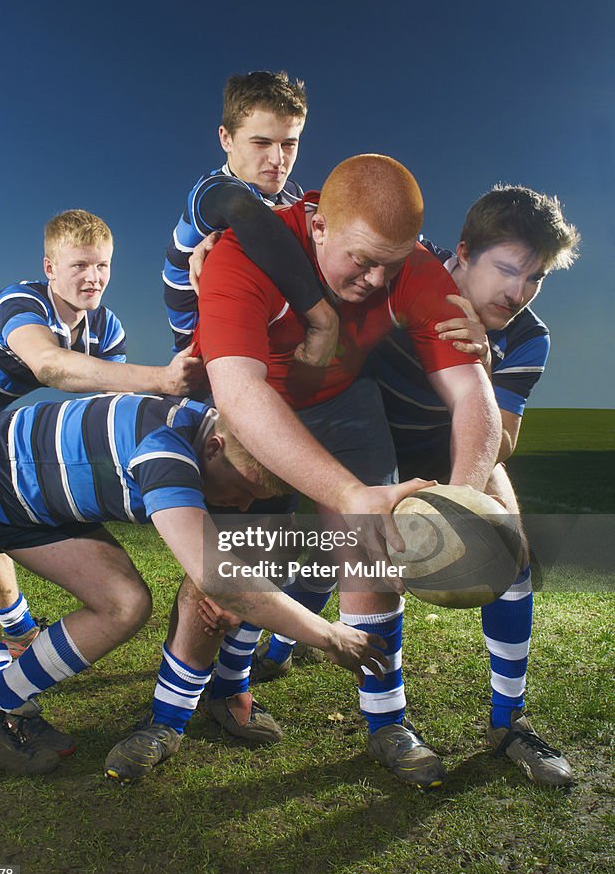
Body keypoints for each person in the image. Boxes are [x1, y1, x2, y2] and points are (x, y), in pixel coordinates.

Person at [110, 154, 501, 788]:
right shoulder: (241, 257)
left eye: (391, 265)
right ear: (318, 226)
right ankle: (167, 718)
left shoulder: (407, 265)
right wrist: (350, 492)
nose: (378, 280)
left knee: (370, 552)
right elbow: (239, 393)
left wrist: (460, 497)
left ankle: (386, 723)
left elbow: (470, 392)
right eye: (363, 260)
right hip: (247, 411)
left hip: (343, 404)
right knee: (222, 575)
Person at [0, 394, 392, 776]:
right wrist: (329, 634)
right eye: (243, 489)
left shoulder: (249, 449)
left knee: (124, 603)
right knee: (132, 600)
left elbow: (261, 546)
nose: (243, 504)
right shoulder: (163, 448)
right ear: (212, 448)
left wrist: (248, 585)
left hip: (31, 503)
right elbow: (217, 576)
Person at [0, 209, 205, 727]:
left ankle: (18, 635)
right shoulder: (22, 301)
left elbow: (109, 402)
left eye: (102, 266)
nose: (93, 278)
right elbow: (51, 366)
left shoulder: (106, 327)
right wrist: (165, 379)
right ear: (50, 267)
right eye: (80, 265)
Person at [361, 184, 580, 786]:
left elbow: (502, 442)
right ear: (463, 251)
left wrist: (480, 366)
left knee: (511, 551)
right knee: (369, 565)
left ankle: (509, 722)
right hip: (370, 436)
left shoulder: (528, 335)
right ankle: (386, 724)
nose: (518, 291)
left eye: (534, 278)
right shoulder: (413, 262)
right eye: (507, 269)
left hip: (453, 445)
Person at [162, 70, 339, 368]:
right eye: (261, 143)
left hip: (276, 342)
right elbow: (245, 212)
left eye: (289, 144)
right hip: (208, 362)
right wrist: (324, 320)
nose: (277, 160)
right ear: (226, 139)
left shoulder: (291, 194)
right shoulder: (211, 191)